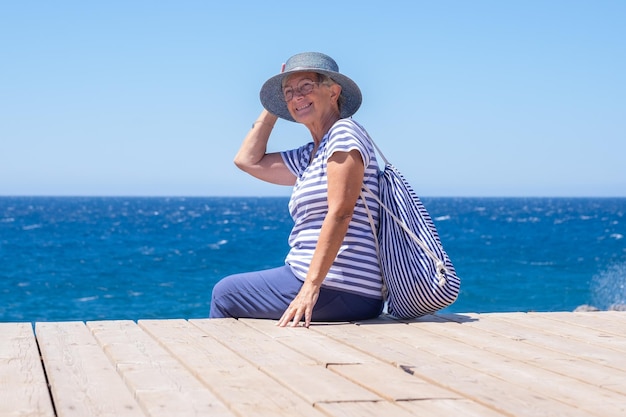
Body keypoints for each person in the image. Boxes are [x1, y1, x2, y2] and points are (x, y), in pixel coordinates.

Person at [209, 52, 384, 327]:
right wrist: (273, 106)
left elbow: (340, 213)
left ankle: (218, 370)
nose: (296, 97)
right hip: (329, 284)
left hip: (343, 287)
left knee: (225, 293)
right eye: (289, 93)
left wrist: (310, 288)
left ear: (334, 91)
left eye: (306, 87)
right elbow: (247, 160)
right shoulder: (309, 155)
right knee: (229, 292)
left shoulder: (343, 134)